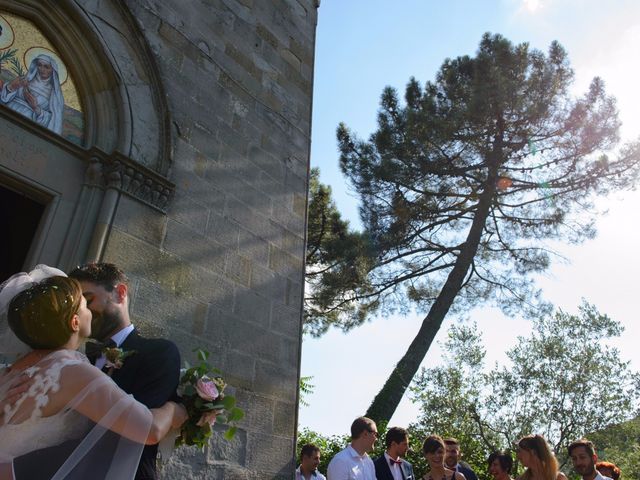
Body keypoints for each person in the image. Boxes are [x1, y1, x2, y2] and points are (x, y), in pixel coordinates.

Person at [0, 266, 187, 479]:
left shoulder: (8, 372)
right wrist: (174, 410)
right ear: (75, 321)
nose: (89, 309)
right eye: (84, 305)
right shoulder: (73, 371)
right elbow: (150, 430)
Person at [68, 262, 182, 480]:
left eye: (88, 300)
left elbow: (138, 429)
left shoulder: (158, 352)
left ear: (120, 293)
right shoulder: (79, 361)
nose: (84, 312)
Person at [0, 54, 64, 134]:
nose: (42, 69)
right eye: (39, 65)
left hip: (26, 123)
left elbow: (53, 121)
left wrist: (36, 108)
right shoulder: (25, 79)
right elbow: (3, 98)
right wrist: (11, 87)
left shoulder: (54, 94)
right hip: (6, 112)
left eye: (46, 67)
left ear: (52, 71)